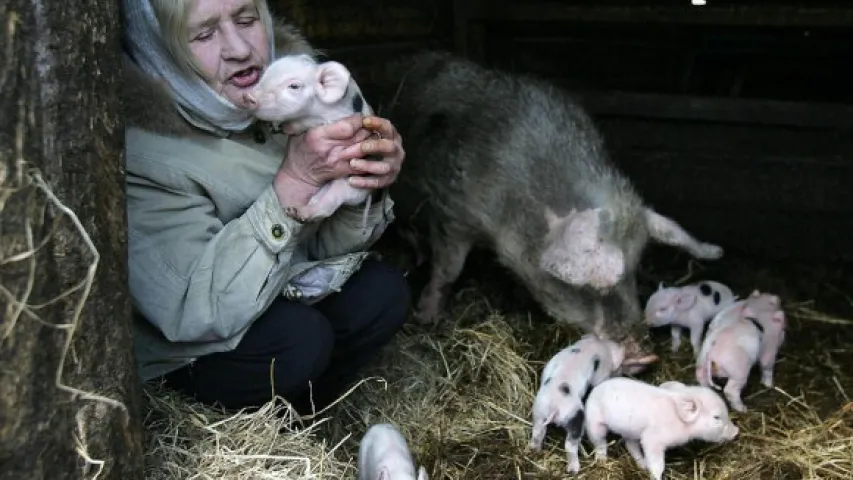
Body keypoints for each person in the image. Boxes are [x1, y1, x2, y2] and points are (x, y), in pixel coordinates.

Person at [119, 0, 411, 415]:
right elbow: (194, 309)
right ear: (159, 49)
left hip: (276, 292)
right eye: (204, 34)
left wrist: (360, 180)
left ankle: (304, 419)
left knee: (381, 291)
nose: (239, 48)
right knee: (298, 341)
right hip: (194, 341)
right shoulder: (145, 153)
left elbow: (321, 250)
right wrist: (294, 183)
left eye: (247, 19)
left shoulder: (291, 96)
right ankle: (237, 431)